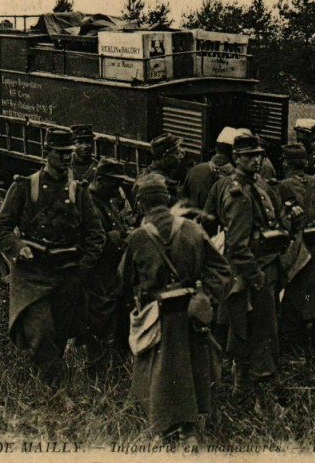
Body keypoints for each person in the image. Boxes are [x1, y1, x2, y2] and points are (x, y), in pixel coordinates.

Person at [120, 172, 231, 445]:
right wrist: (206, 296)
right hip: (191, 313)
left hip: (156, 315)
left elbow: (125, 279)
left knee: (158, 369)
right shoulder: (193, 229)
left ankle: (161, 428)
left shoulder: (138, 237)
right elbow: (221, 270)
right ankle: (189, 430)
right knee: (191, 367)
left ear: (141, 204)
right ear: (167, 198)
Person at [0, 128, 106, 386]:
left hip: (67, 274)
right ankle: (54, 390)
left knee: (60, 333)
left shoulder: (79, 191)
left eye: (69, 154)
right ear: (46, 153)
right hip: (33, 275)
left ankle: (47, 379)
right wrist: (18, 247)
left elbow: (96, 235)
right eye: (60, 153)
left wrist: (83, 269)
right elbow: (0, 229)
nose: (66, 159)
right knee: (41, 332)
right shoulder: (24, 187)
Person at [213, 134, 290, 387]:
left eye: (259, 155)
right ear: (236, 158)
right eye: (249, 156)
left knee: (264, 329)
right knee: (258, 331)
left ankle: (250, 380)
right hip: (252, 273)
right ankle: (258, 384)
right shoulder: (238, 193)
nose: (256, 160)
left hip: (268, 266)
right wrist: (257, 279)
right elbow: (236, 245)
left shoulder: (260, 185)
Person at [276, 143, 315, 363]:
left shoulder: (282, 186)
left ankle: (296, 351)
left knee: (293, 298)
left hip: (297, 248)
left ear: (285, 163)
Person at [83, 158, 135, 366]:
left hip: (112, 275)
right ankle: (97, 372)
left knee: (118, 321)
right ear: (100, 179)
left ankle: (116, 369)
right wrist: (120, 237)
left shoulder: (106, 201)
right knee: (99, 324)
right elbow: (92, 242)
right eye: (114, 183)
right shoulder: (89, 204)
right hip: (98, 275)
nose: (118, 189)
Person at [181, 127, 238, 210]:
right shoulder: (236, 177)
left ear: (216, 148)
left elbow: (183, 201)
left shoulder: (195, 170)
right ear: (234, 153)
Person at [133, 133, 184, 204]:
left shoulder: (143, 174)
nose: (181, 156)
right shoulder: (158, 183)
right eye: (177, 153)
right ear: (165, 156)